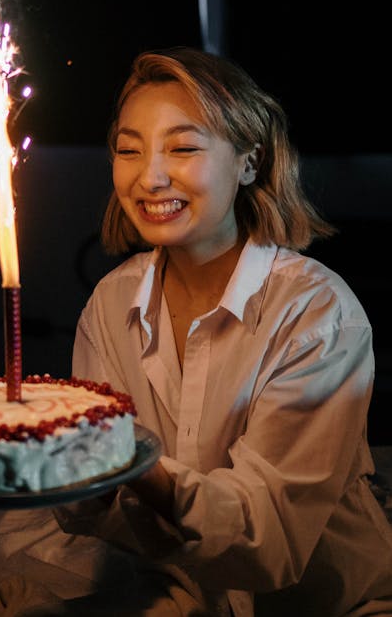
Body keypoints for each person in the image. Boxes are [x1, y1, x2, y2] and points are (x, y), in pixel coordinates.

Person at [49, 46, 392, 615]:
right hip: (180, 598)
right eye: (128, 150)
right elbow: (92, 511)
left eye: (183, 147)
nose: (150, 176)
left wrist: (129, 462)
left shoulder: (314, 312)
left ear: (249, 161)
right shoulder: (111, 305)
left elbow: (270, 541)